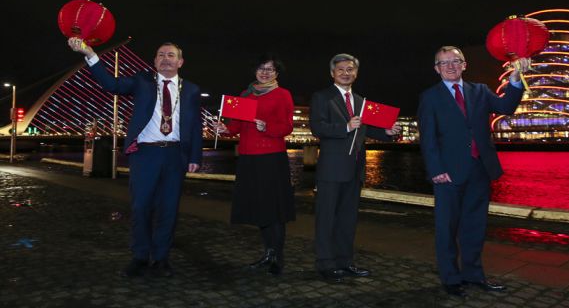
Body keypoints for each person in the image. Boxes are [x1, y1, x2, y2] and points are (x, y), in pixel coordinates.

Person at [68, 38, 203, 278]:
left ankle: (161, 259)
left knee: (169, 209)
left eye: (171, 55)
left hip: (175, 155)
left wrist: (195, 156)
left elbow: (195, 125)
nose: (165, 58)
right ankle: (140, 257)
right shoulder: (142, 82)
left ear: (180, 62)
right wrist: (89, 53)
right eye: (161, 54)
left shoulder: (191, 89)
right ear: (154, 61)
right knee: (140, 207)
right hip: (145, 154)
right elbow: (111, 84)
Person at [418, 45, 529, 297]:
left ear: (464, 65)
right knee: (446, 228)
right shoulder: (430, 97)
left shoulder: (479, 90)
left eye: (455, 61)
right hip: (447, 173)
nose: (450, 66)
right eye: (443, 63)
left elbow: (506, 108)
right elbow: (428, 138)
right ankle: (451, 278)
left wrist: (514, 79)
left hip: (480, 169)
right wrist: (436, 170)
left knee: (475, 227)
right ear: (436, 69)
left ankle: (474, 274)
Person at [309, 53, 401, 282]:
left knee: (348, 219)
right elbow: (317, 128)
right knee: (327, 218)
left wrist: (387, 133)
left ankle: (345, 261)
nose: (345, 73)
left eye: (350, 69)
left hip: (355, 169)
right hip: (331, 169)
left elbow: (367, 129)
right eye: (340, 69)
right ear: (332, 73)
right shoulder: (322, 97)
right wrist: (345, 126)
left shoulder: (361, 101)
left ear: (356, 73)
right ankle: (325, 264)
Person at [215, 53, 295, 276]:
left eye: (270, 69)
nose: (265, 72)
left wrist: (266, 127)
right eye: (262, 68)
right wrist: (226, 129)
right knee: (260, 208)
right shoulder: (245, 94)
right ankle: (268, 253)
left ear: (276, 73)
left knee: (273, 209)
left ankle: (278, 257)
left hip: (271, 157)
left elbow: (287, 126)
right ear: (255, 71)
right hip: (249, 157)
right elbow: (237, 125)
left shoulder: (282, 95)